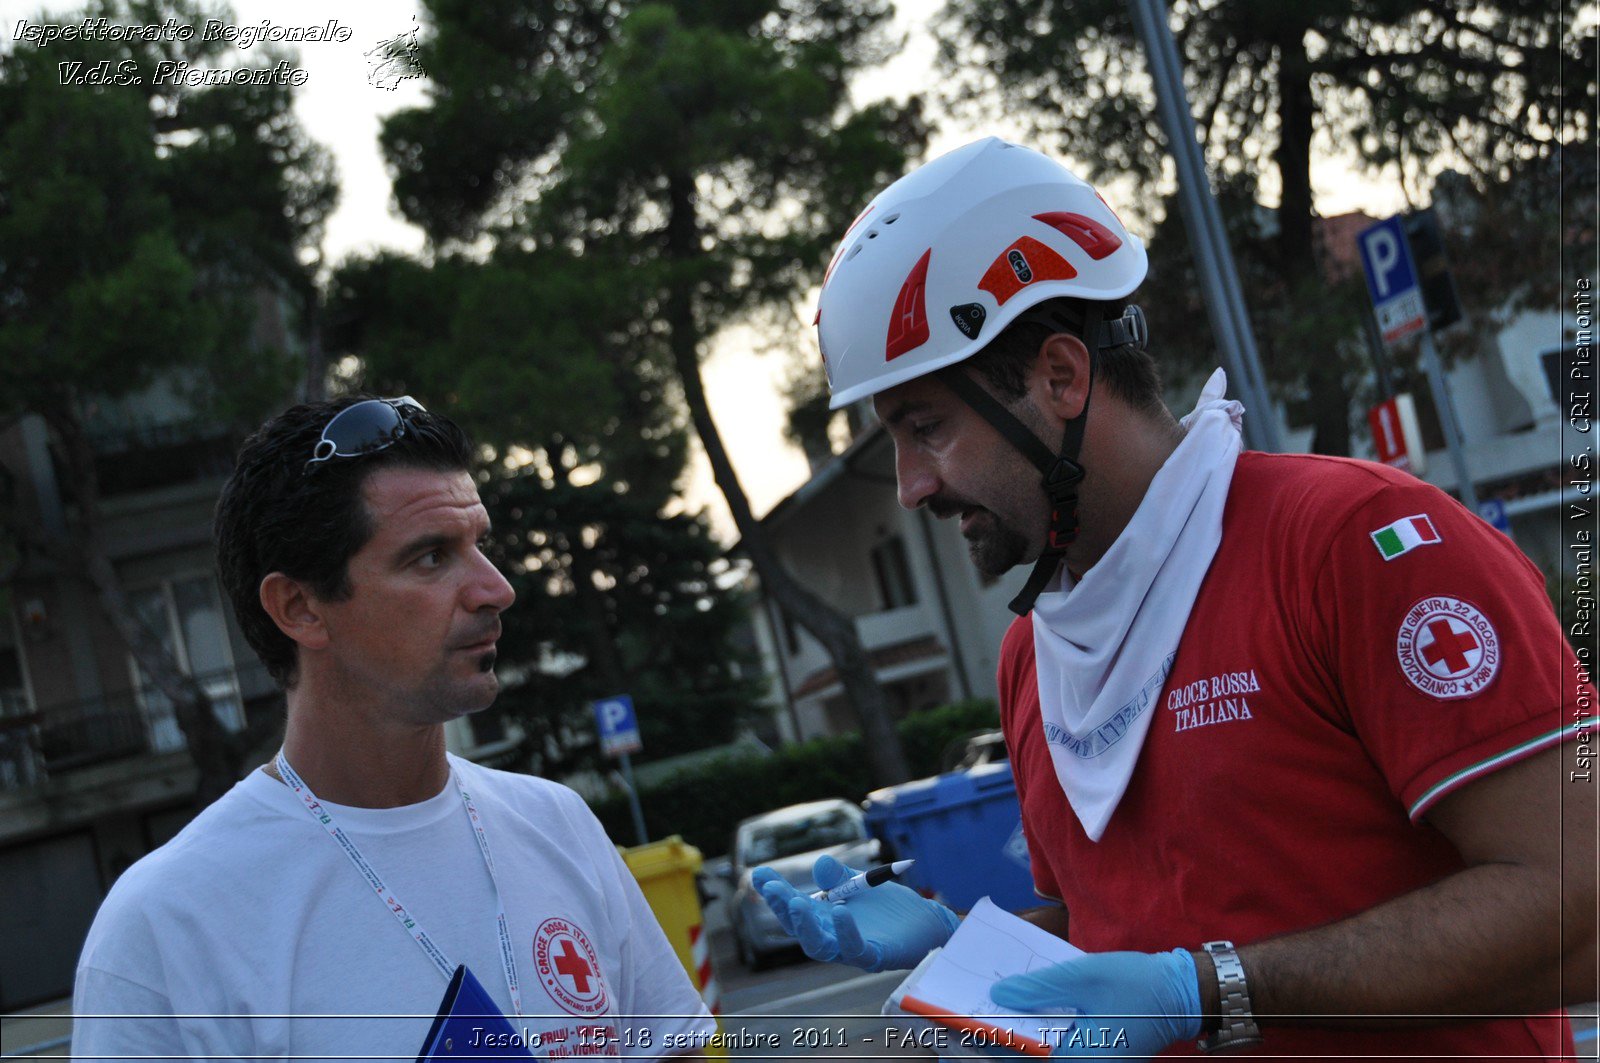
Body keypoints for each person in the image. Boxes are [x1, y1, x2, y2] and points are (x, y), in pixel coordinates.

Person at [754, 137, 1597, 1057]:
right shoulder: (1033, 654)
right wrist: (965, 952)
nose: (913, 486)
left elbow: (1579, 910)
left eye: (928, 429)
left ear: (1062, 377)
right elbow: (1119, 933)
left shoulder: (1360, 541)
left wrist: (1210, 988)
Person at [73, 397, 715, 1059]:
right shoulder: (166, 924)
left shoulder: (559, 825)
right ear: (300, 608)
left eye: (479, 545)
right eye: (432, 557)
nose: (495, 590)